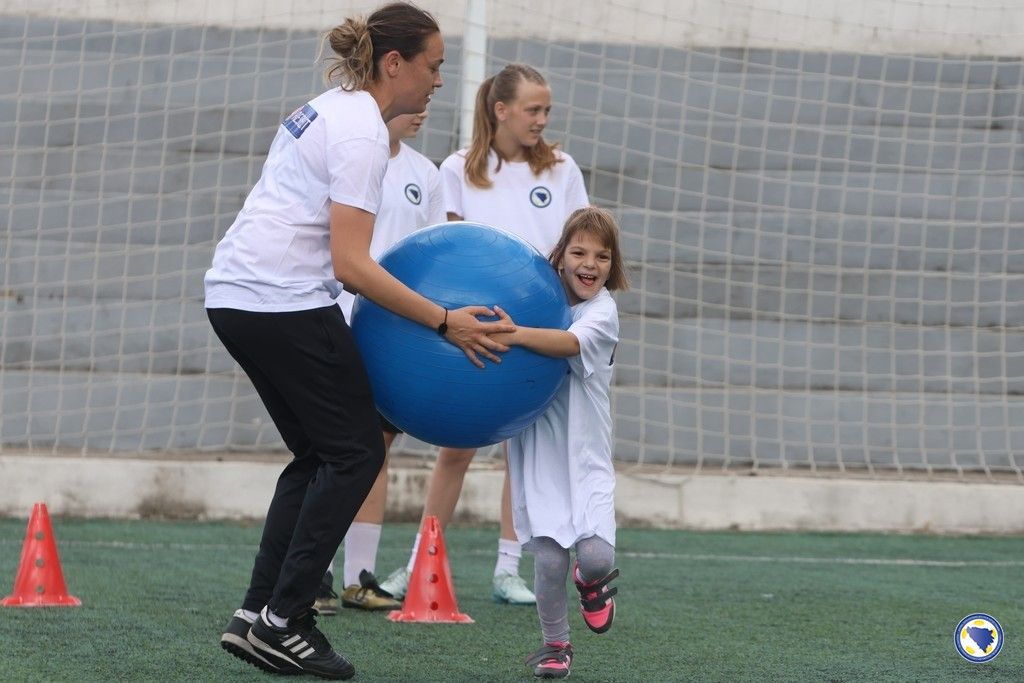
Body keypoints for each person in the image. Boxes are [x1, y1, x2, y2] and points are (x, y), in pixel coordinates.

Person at [207, 4, 513, 679]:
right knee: (352, 452)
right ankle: (285, 619)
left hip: (238, 297)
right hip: (278, 299)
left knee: (320, 452)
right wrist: (444, 319)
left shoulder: (333, 107)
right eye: (433, 66)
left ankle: (256, 614)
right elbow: (352, 265)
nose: (439, 80)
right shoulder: (362, 135)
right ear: (394, 63)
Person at [380, 62, 589, 607]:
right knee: (456, 449)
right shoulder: (456, 169)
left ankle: (507, 569)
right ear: (501, 110)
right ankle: (417, 563)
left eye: (547, 110)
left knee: (526, 450)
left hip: (538, 331)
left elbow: (579, 245)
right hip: (475, 331)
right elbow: (447, 251)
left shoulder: (562, 170)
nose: (542, 119)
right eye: (533, 109)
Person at [313, 109, 445, 615]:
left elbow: (435, 254)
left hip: (396, 334)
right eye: (421, 83)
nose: (424, 107)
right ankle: (314, 572)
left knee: (376, 448)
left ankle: (357, 577)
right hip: (338, 320)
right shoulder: (353, 155)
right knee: (330, 448)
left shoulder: (425, 174)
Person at [495, 207, 628, 679]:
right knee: (549, 559)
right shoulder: (537, 297)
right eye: (578, 252)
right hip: (538, 452)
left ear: (613, 265)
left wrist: (510, 334)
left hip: (586, 454)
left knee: (595, 556)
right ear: (560, 256)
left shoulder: (602, 312)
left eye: (602, 256)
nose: (589, 264)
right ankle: (556, 645)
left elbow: (568, 345)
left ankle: (591, 583)